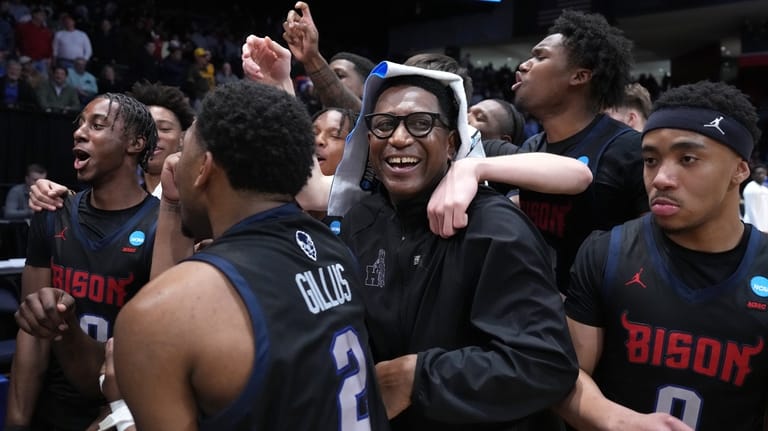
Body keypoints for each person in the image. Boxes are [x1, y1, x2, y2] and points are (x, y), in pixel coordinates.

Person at [105, 80, 391, 430]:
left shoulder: (159, 316)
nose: (176, 165)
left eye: (185, 151)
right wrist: (170, 205)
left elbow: (173, 313)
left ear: (204, 168)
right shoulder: (337, 250)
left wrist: (120, 408)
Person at [328, 60, 579, 430]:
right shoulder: (361, 221)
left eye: (420, 123)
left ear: (451, 143)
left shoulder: (494, 228)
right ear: (368, 139)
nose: (398, 138)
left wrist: (417, 377)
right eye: (384, 125)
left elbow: (544, 364)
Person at [556, 80, 765, 430]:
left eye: (688, 159)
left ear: (739, 170)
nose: (661, 178)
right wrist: (617, 420)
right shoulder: (606, 252)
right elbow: (566, 376)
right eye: (651, 160)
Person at [240, 34, 593, 219]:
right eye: (389, 120)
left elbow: (577, 175)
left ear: (452, 135)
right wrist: (281, 86)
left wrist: (474, 168)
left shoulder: (481, 153)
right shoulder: (377, 178)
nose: (400, 137)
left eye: (421, 120)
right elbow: (311, 192)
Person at [7, 92, 159, 430]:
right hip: (53, 407)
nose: (79, 132)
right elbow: (33, 331)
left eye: (98, 125)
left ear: (135, 143)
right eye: (79, 125)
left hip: (121, 411)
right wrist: (17, 420)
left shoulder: (162, 227)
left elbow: (159, 354)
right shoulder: (52, 213)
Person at [510, 9, 648, 293]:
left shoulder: (629, 151)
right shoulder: (531, 147)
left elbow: (652, 256)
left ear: (579, 75)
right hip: (534, 315)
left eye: (540, 56)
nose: (523, 66)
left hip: (597, 322)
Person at [282, 1, 374, 111]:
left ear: (366, 88)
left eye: (339, 75)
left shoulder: (374, 123)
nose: (321, 81)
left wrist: (311, 58)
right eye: (329, 74)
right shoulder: (310, 121)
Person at [742, 163, 768, 232]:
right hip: (754, 226)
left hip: (764, 226)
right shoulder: (750, 188)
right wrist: (758, 229)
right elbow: (752, 211)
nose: (762, 175)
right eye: (759, 173)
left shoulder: (765, 189)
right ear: (753, 175)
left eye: (764, 173)